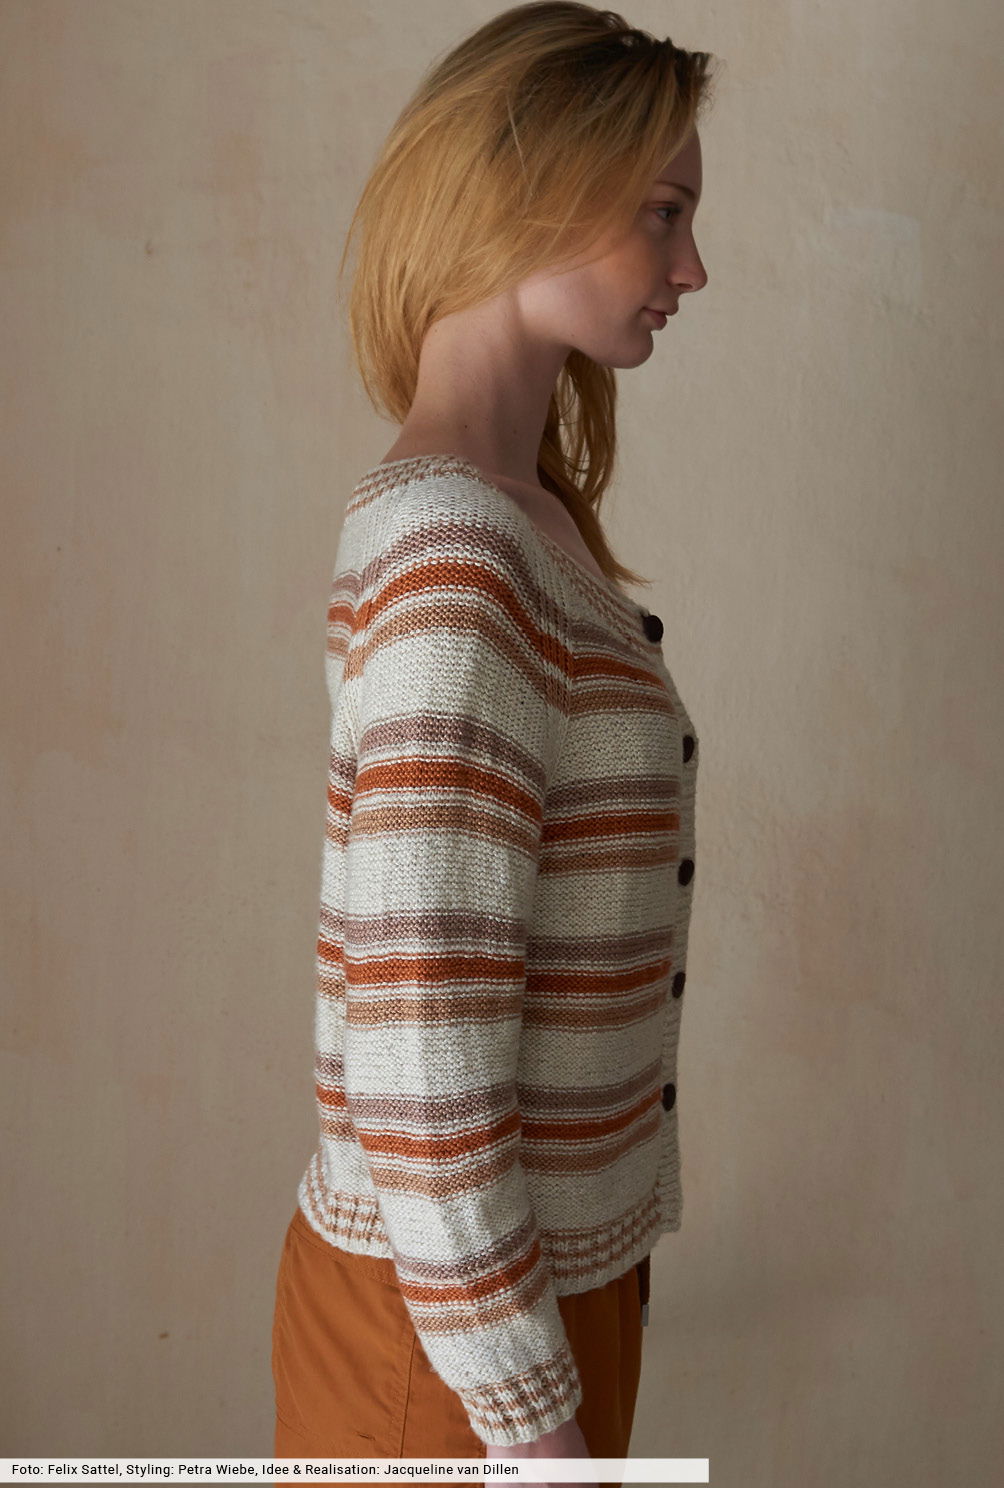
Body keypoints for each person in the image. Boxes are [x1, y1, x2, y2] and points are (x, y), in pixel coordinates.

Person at [271, 6, 717, 1484]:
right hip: (449, 1346)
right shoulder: (459, 554)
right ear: (530, 193)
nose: (692, 269)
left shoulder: (521, 523)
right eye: (664, 213)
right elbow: (418, 1059)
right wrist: (545, 1438)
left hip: (519, 1300)